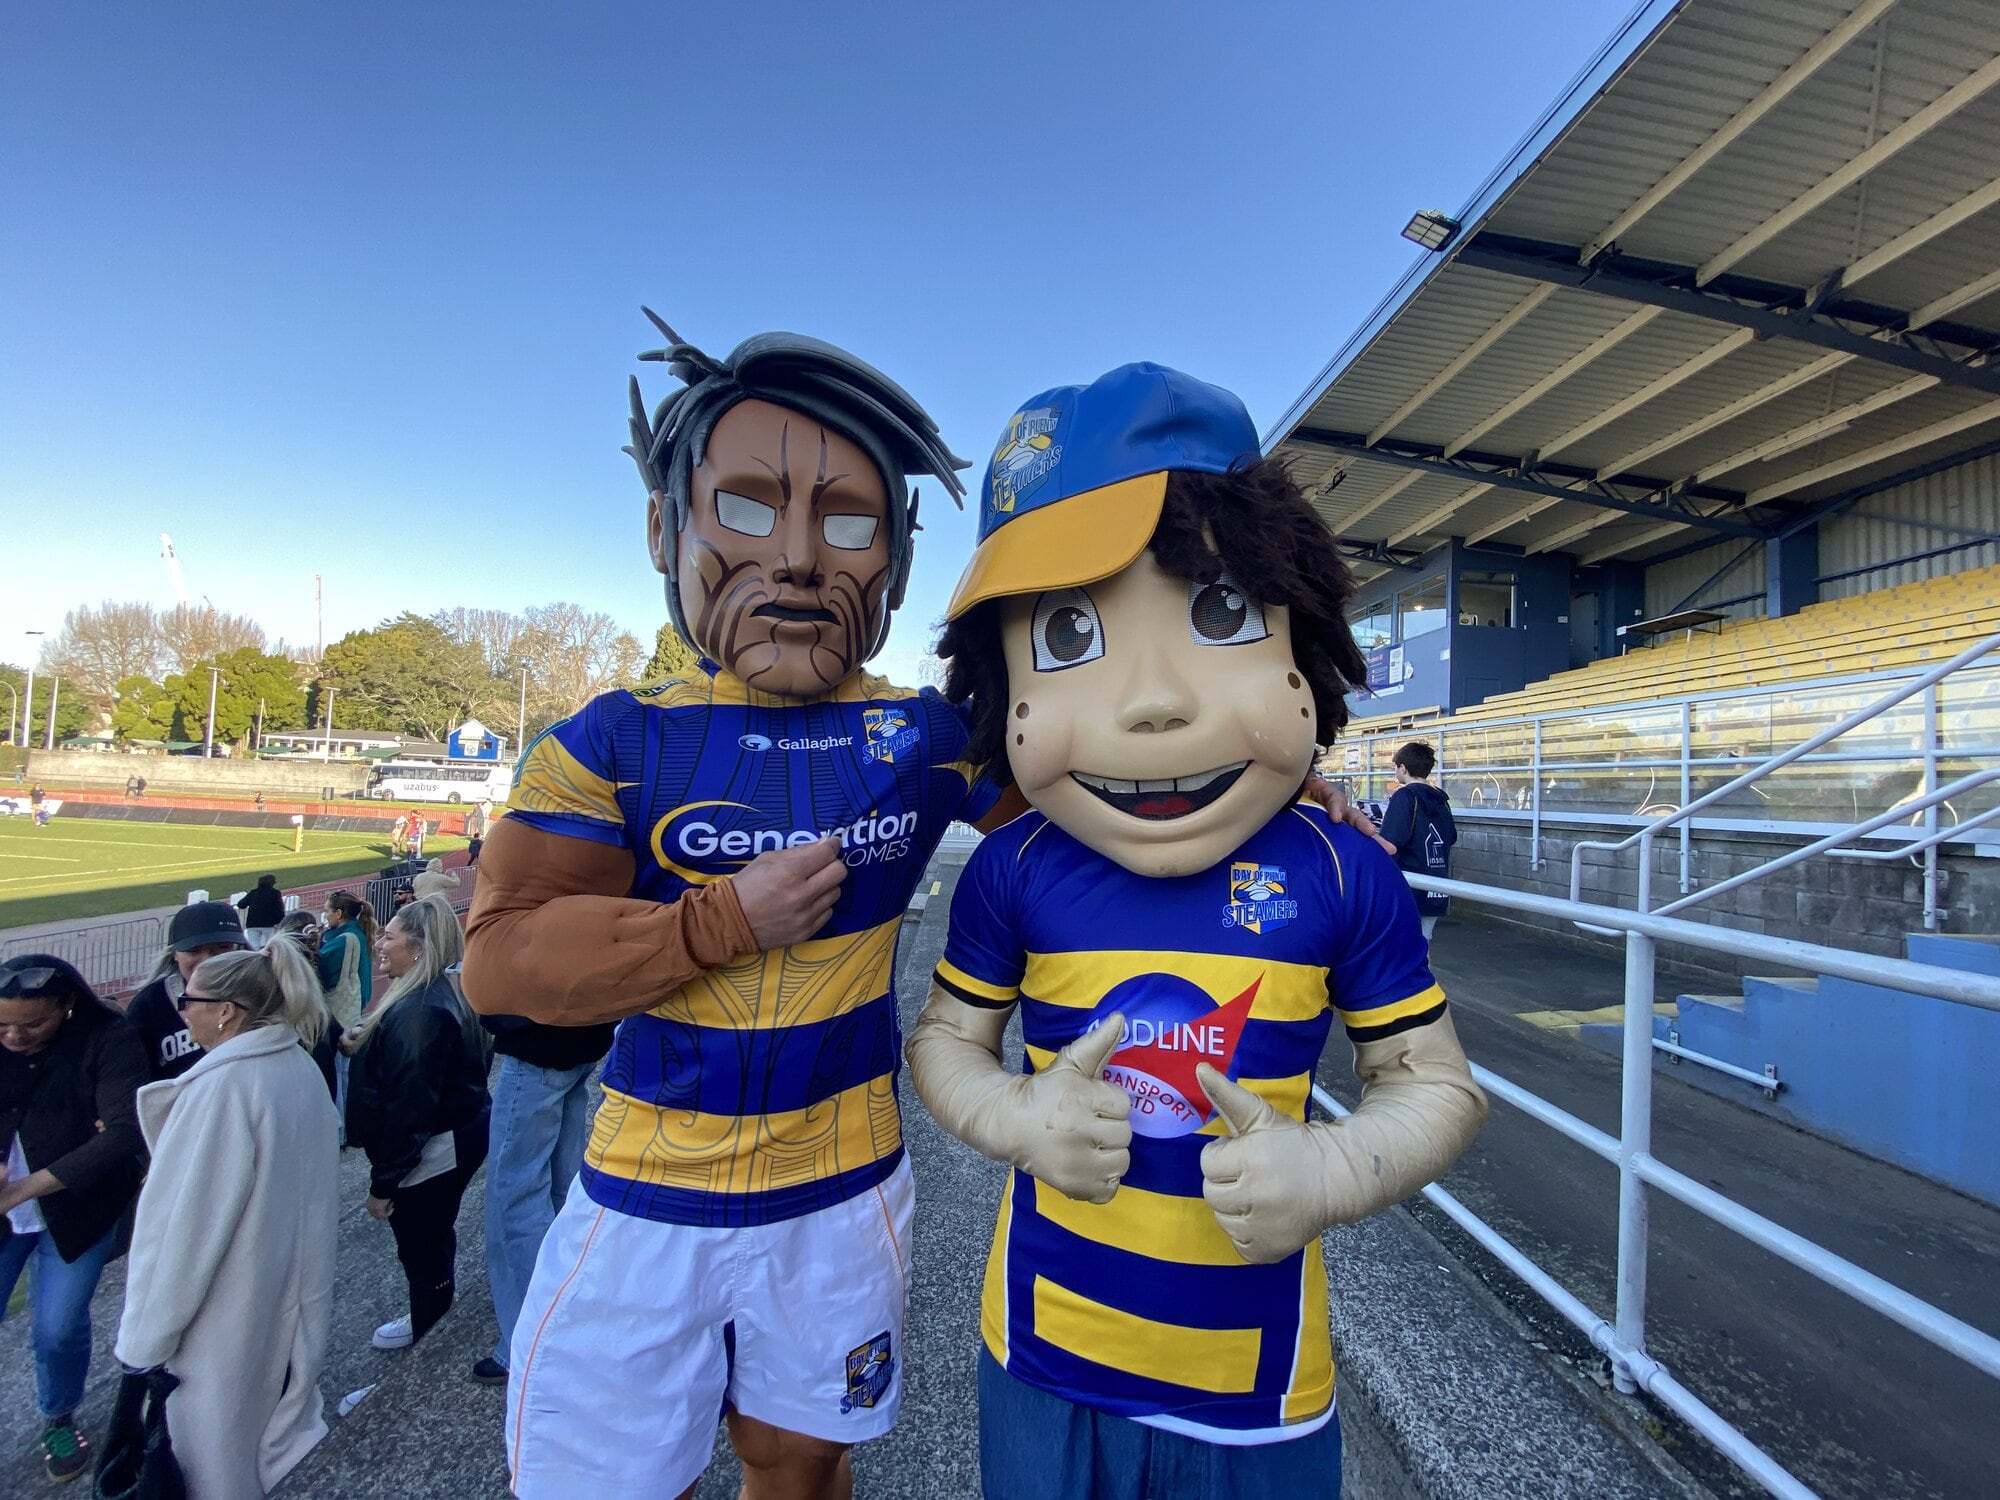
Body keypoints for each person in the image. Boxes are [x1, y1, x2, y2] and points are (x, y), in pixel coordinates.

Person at [913, 363, 1488, 1499]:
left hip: (1259, 1396)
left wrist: (1332, 1165)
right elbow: (944, 1040)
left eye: (1220, 612)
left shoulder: (1338, 870)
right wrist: (1011, 1118)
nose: (1153, 702)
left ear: (1301, 629)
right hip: (1038, 1356)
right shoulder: (1015, 867)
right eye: (1068, 633)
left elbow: (1435, 1082)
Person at [462, 316, 1010, 1499]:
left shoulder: (929, 736)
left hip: (841, 1193)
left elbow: (1085, 812)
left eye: (848, 522)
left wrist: (1268, 803)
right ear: (668, 526)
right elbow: (499, 967)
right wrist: (711, 925)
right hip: (640, 1198)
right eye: (751, 509)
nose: (803, 558)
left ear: (894, 564)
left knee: (799, 1469)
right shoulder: (608, 741)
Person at [114, 937, 340, 1499]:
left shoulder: (220, 1090)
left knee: (213, 1463)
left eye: (190, 998)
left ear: (226, 1012)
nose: (181, 1007)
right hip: (280, 1302)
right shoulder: (296, 1069)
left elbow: (182, 1236)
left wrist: (143, 1344)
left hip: (221, 1322)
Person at [0, 955, 148, 1484]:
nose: (14, 1036)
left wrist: (24, 1188)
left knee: (57, 1328)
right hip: (6, 1215)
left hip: (74, 1208)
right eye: (2, 1026)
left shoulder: (107, 1036)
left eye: (30, 1024)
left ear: (67, 1007)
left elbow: (125, 1132)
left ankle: (58, 1416)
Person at [341, 894, 491, 1351]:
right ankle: (428, 1315)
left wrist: (383, 1185)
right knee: (431, 1239)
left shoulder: (421, 1011)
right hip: (455, 1137)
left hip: (437, 1149)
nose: (380, 944)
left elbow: (410, 1108)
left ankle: (427, 1334)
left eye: (388, 936)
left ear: (419, 947)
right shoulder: (438, 996)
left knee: (422, 1247)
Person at [473, 1007, 616, 1386]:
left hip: (539, 1046)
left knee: (515, 1199)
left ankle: (525, 1338)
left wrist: (493, 1010)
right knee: (563, 1188)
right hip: (581, 1039)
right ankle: (563, 1316)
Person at [125, 901, 251, 1082]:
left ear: (239, 947)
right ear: (174, 954)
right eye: (194, 950)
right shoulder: (150, 1005)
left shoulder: (263, 994)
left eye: (223, 947)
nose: (208, 960)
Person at [1350, 741, 1457, 942]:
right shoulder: (1442, 799)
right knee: (1422, 945)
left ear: (1403, 768)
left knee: (1403, 948)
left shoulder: (1405, 796)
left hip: (1408, 886)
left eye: (1396, 767)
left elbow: (1390, 844)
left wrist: (1367, 830)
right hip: (1437, 886)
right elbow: (1451, 837)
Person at [317, 891, 376, 1126]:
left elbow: (323, 971)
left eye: (327, 910)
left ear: (338, 913)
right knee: (343, 1073)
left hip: (340, 1012)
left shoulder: (343, 939)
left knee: (337, 1073)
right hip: (353, 1007)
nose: (324, 914)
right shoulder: (356, 933)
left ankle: (339, 1127)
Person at [236, 873, 287, 949]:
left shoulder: (253, 893)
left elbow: (241, 904)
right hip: (269, 924)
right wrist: (281, 921)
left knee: (254, 946)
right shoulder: (275, 893)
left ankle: (254, 960)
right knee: (271, 945)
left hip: (252, 923)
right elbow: (279, 909)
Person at [464, 800, 491, 867]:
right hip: (477, 852)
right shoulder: (478, 841)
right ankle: (481, 867)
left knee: (472, 859)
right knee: (480, 860)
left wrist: (470, 851)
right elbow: (481, 846)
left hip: (473, 853)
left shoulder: (472, 841)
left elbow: (470, 847)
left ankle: (467, 866)